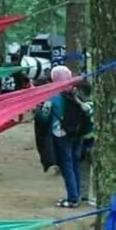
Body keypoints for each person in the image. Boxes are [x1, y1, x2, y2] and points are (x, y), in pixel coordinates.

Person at [36, 65, 92, 209]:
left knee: (67, 165)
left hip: (61, 134)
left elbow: (44, 116)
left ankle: (72, 198)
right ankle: (77, 195)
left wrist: (39, 110)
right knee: (75, 164)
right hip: (77, 133)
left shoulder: (53, 96)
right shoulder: (75, 92)